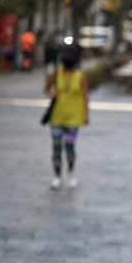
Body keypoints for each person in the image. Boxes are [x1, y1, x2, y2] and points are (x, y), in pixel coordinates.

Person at [43, 46, 88, 190]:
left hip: (73, 120)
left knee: (70, 148)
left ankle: (71, 173)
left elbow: (85, 97)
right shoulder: (55, 75)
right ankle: (57, 176)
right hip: (57, 119)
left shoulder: (80, 77)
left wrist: (85, 115)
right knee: (56, 148)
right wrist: (52, 94)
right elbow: (46, 89)